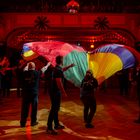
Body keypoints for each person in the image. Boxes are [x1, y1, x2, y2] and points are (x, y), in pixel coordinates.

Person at [47, 55, 74, 135]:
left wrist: (69, 66)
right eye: (63, 59)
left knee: (55, 108)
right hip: (55, 92)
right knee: (54, 109)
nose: (63, 60)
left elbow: (62, 70)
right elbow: (59, 82)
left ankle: (56, 124)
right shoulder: (57, 70)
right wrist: (63, 92)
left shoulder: (57, 68)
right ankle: (49, 128)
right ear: (61, 60)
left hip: (54, 91)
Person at [20, 61, 41, 127]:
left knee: (24, 109)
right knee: (34, 108)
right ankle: (33, 122)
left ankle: (23, 123)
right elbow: (43, 69)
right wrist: (48, 65)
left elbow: (24, 69)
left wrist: (27, 65)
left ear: (28, 67)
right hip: (34, 94)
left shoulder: (24, 73)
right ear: (34, 67)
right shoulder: (37, 73)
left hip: (25, 94)